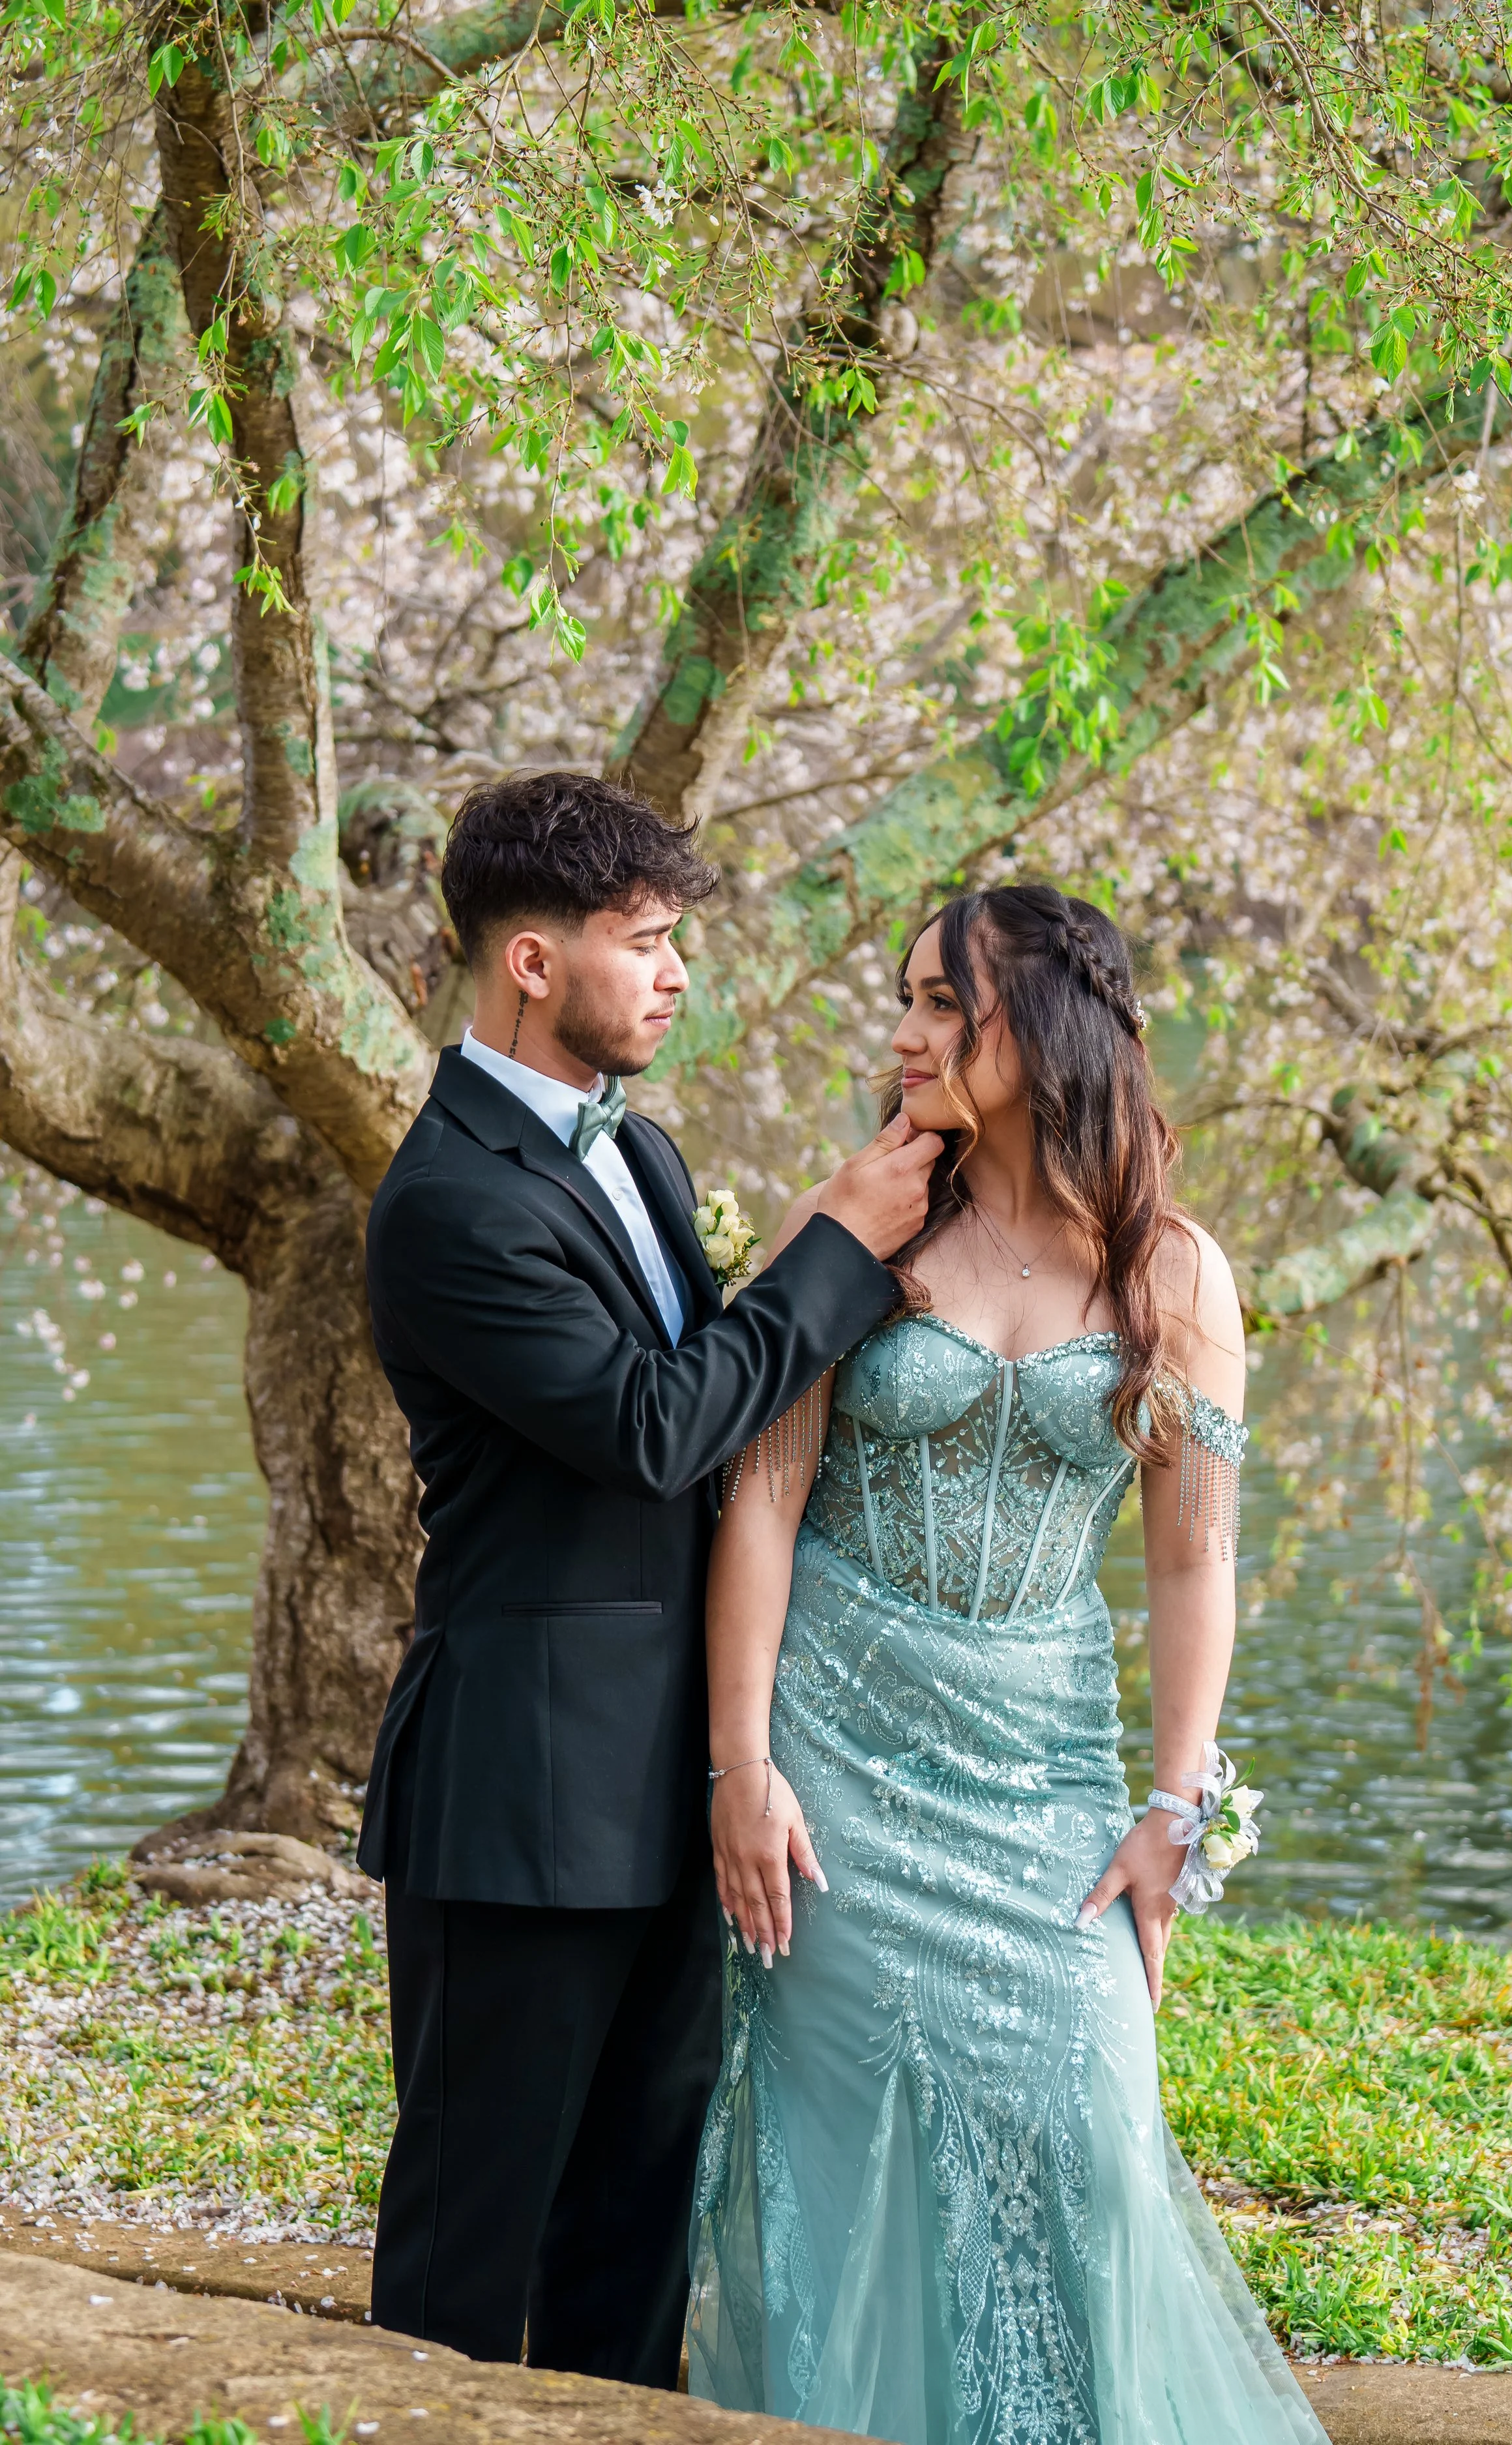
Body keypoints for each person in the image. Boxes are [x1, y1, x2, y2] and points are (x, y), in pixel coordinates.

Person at [690, 882, 1329, 2445]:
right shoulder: (863, 1217)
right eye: (900, 1001)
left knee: (1094, 2141)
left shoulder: (1173, 1275)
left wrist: (1171, 1809)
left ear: (1032, 1027)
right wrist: (740, 1763)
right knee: (842, 2168)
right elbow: (761, 1500)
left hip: (1038, 1769)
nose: (902, 1036)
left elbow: (1194, 1558)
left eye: (936, 1004)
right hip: (830, 1760)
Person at [355, 770, 941, 2379]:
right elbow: (650, 1426)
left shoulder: (645, 1153)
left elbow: (724, 1391)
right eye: (647, 940)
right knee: (471, 2249)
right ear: (530, 963)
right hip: (523, 1801)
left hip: (678, 1780)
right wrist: (834, 1243)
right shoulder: (450, 1203)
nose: (677, 974)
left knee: (632, 2234)